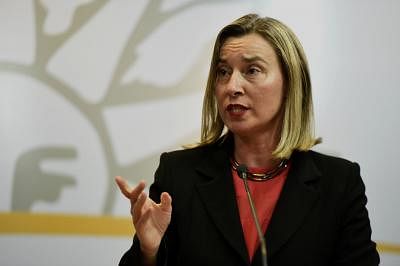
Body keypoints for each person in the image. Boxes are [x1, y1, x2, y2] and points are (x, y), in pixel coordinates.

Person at [115, 14, 380, 266]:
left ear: (290, 82)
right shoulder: (179, 174)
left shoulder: (339, 184)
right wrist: (148, 252)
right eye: (223, 72)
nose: (232, 86)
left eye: (252, 70)